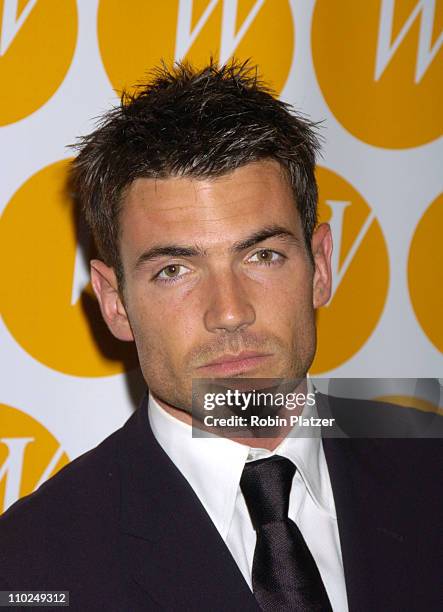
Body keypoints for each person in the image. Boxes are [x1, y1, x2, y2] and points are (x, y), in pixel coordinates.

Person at [0, 60, 441, 612]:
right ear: (115, 303)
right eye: (175, 270)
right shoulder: (30, 565)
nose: (229, 312)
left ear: (321, 267)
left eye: (262, 256)